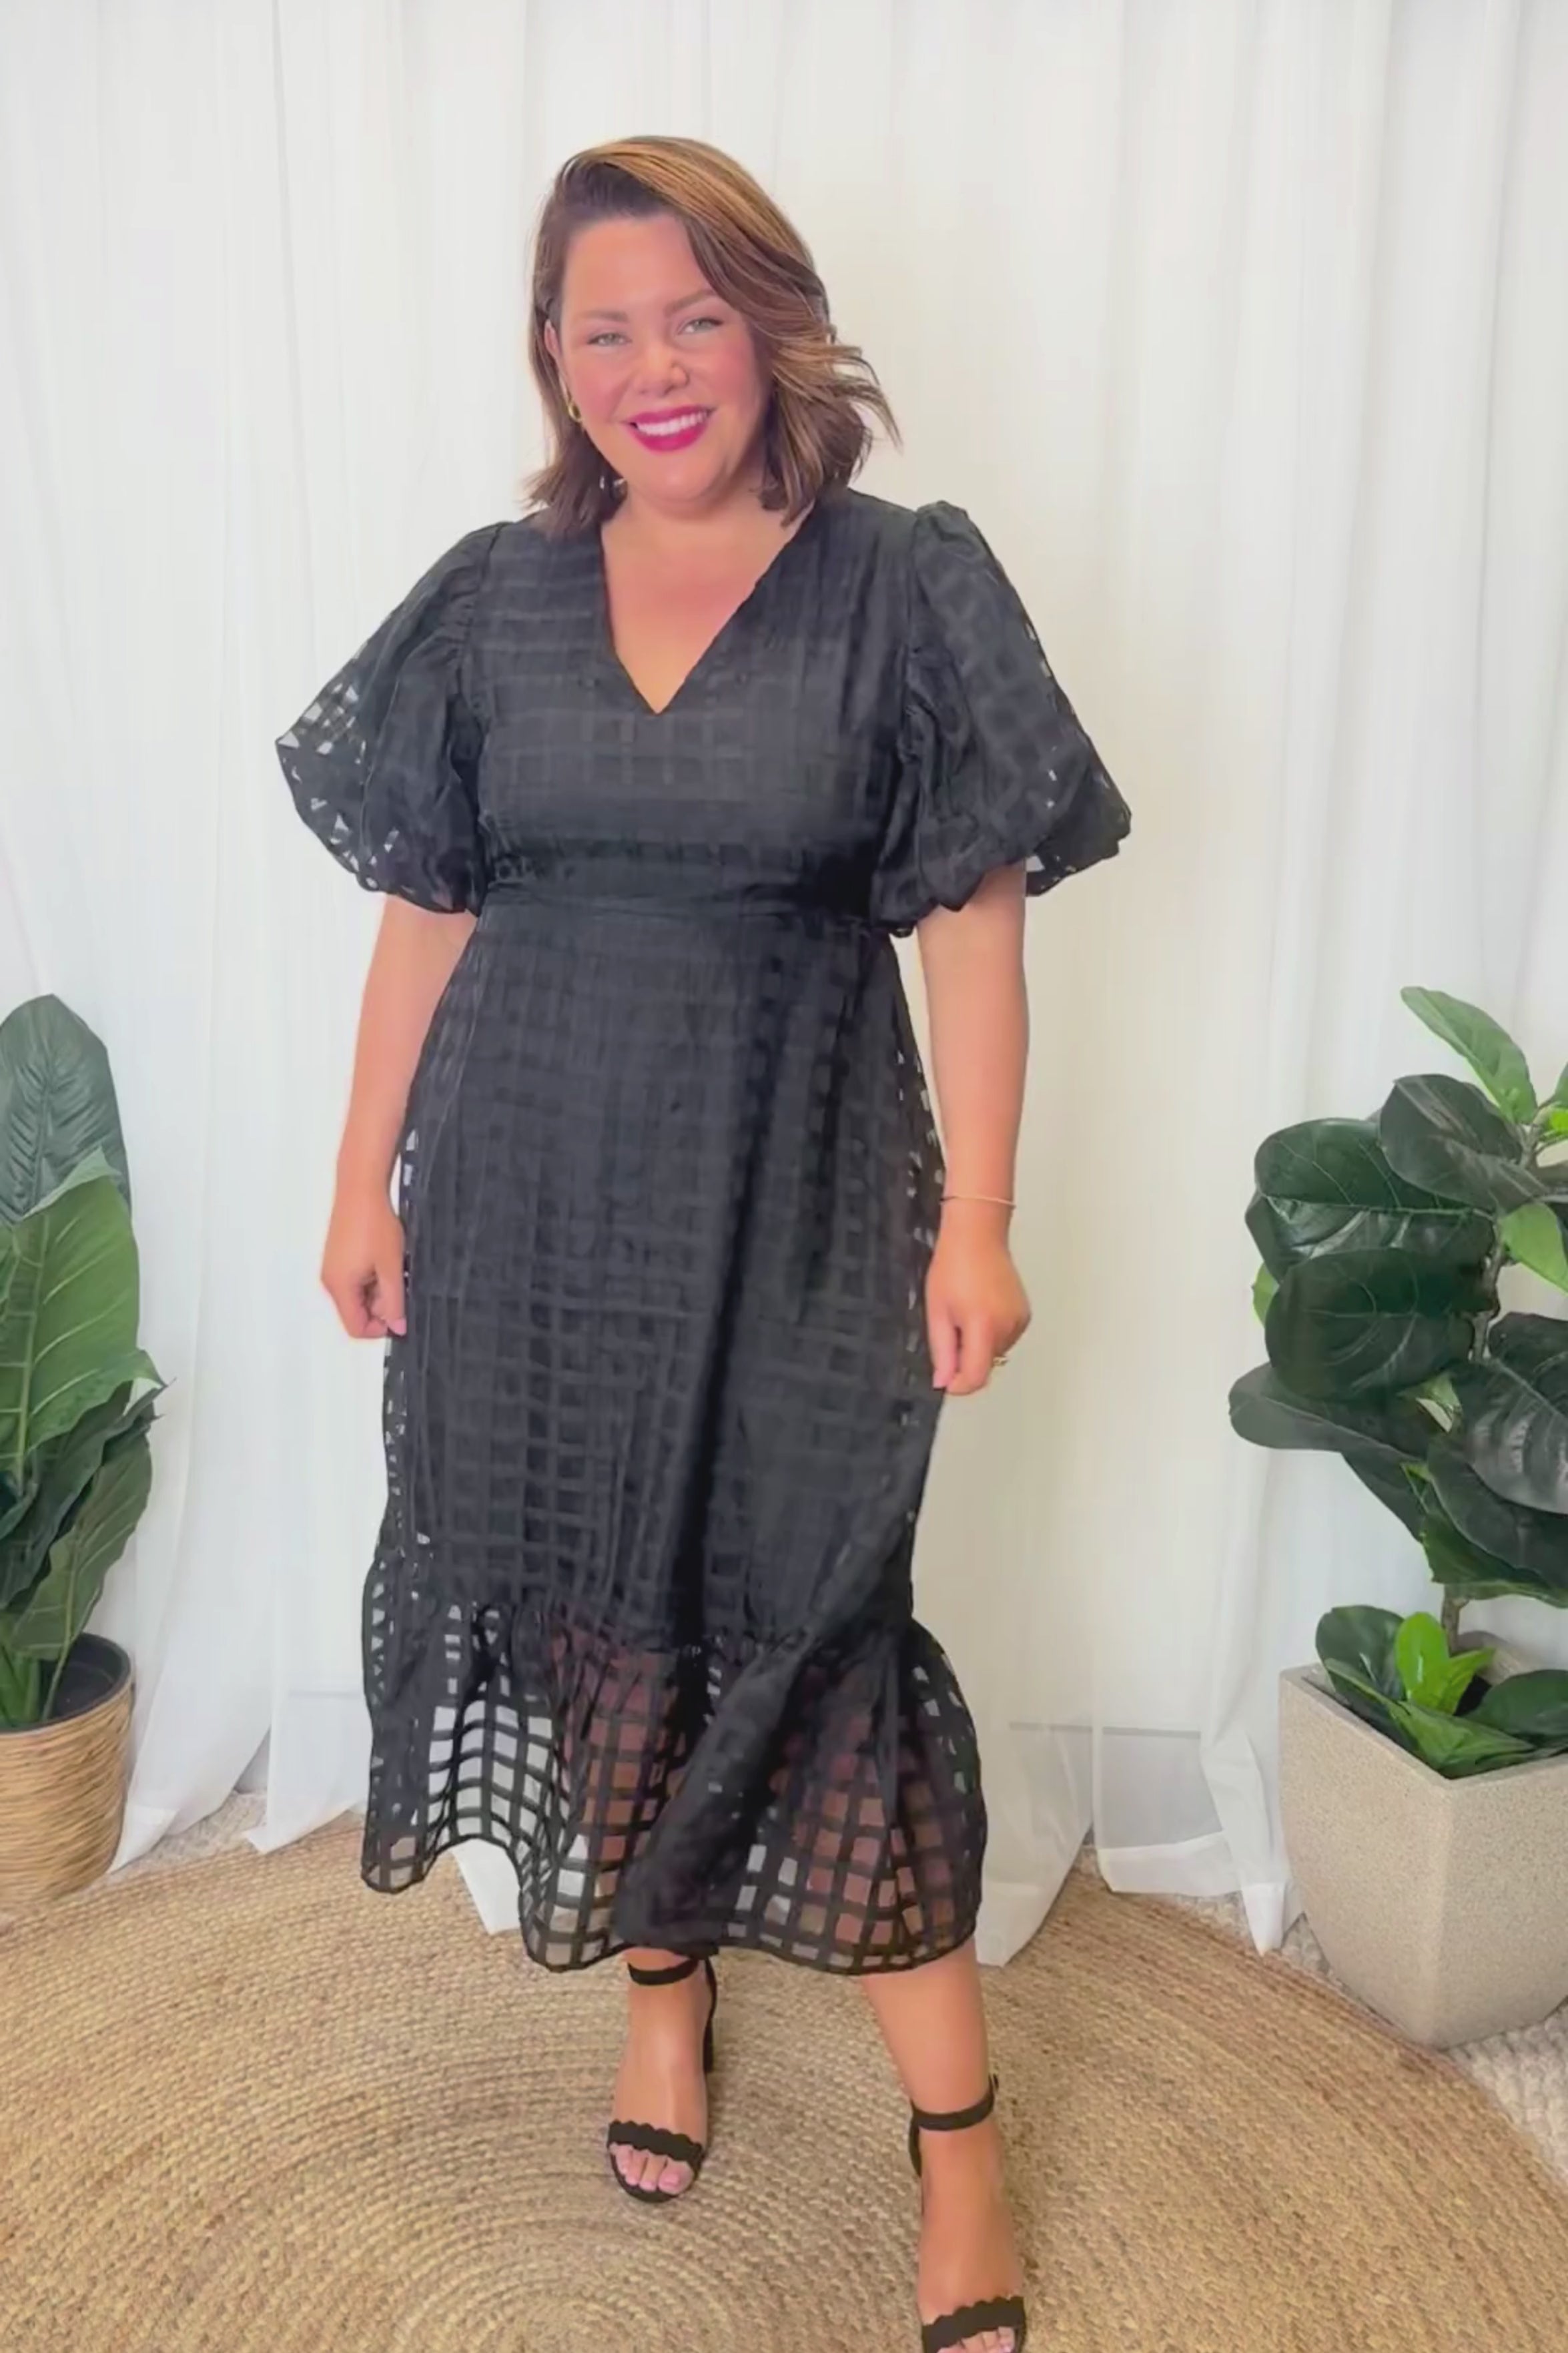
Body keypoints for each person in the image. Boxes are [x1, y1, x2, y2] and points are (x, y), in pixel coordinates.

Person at [277, 133, 1128, 2353]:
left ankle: (959, 2138)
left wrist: (982, 1220)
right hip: (530, 1213)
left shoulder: (903, 587)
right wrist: (361, 1178)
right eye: (604, 331)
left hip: (800, 1207)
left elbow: (975, 926)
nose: (653, 369)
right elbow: (427, 908)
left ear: (773, 328)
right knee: (593, 1627)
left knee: (825, 1646)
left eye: (695, 318)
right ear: (553, 362)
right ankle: (663, 2001)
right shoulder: (494, 596)